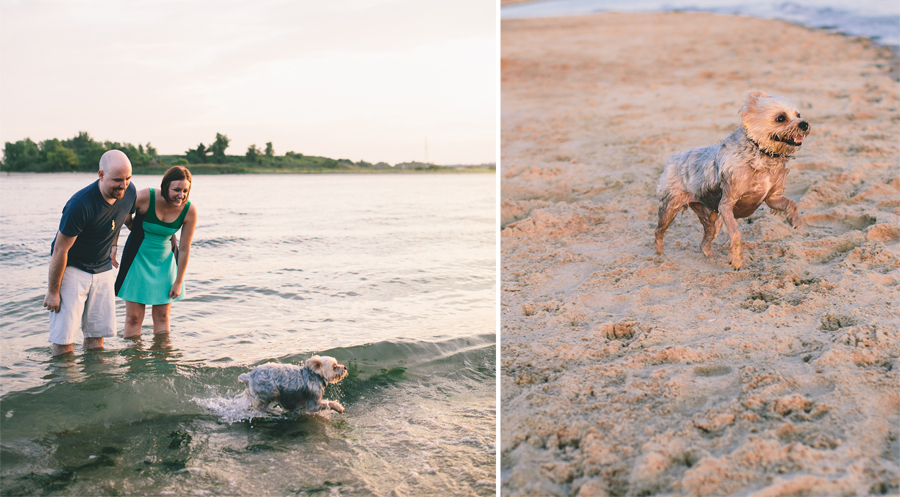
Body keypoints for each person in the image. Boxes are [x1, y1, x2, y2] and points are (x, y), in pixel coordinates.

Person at [44, 150, 137, 356]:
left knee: (97, 338)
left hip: (103, 269)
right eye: (117, 180)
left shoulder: (129, 192)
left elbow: (121, 219)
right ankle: (64, 386)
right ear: (101, 175)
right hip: (72, 268)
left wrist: (114, 246)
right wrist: (53, 291)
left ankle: (95, 384)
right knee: (64, 342)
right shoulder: (80, 204)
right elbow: (61, 249)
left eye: (128, 179)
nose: (123, 186)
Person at [116, 166, 198, 337]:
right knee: (134, 317)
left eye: (185, 191)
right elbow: (120, 208)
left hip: (166, 263)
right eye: (176, 190)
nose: (181, 195)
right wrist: (116, 242)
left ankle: (162, 362)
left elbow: (184, 249)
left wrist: (178, 281)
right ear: (165, 186)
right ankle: (133, 361)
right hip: (137, 260)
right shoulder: (146, 196)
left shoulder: (189, 211)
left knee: (162, 316)